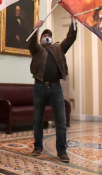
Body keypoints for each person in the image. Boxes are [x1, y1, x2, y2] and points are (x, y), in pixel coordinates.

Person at [28, 18, 77, 163]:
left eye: (48, 35)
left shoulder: (58, 49)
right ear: (41, 39)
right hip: (39, 87)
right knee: (37, 120)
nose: (47, 37)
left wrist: (73, 23)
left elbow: (70, 38)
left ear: (52, 38)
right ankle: (37, 147)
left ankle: (62, 151)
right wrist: (35, 28)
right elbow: (31, 42)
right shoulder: (37, 49)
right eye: (44, 36)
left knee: (61, 120)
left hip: (56, 88)